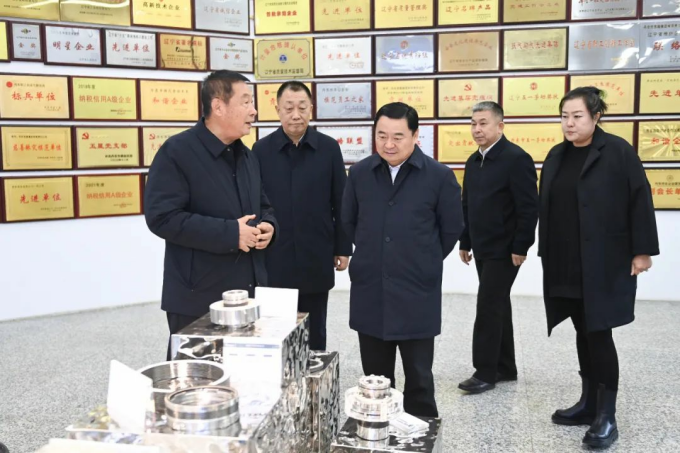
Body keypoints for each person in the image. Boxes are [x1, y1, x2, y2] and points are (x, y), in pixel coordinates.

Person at [539, 87, 659, 449]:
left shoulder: (618, 151)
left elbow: (640, 198)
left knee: (599, 332)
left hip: (605, 261)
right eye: (564, 116)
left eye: (577, 116)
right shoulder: (557, 155)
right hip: (567, 262)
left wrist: (642, 251)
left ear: (596, 117)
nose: (569, 123)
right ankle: (588, 403)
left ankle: (607, 415)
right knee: (582, 329)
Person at [144, 70, 278, 360]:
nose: (254, 111)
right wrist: (231, 234)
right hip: (198, 298)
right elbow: (161, 217)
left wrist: (269, 226)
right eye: (246, 102)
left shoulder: (247, 156)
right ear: (218, 106)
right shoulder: (177, 152)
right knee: (199, 379)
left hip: (248, 294)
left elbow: (264, 205)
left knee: (244, 378)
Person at [342, 102, 464, 417]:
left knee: (419, 377)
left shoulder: (439, 176)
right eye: (381, 136)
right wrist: (376, 253)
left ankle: (422, 431)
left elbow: (451, 228)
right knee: (376, 379)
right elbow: (349, 221)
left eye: (398, 136)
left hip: (416, 289)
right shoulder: (359, 174)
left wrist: (422, 258)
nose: (389, 144)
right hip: (371, 288)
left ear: (415, 135)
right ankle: (379, 431)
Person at [252, 81, 351, 351]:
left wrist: (343, 247)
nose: (296, 115)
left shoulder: (328, 148)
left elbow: (341, 200)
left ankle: (314, 370)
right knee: (274, 327)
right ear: (277, 110)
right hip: (274, 254)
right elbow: (255, 202)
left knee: (315, 328)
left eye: (302, 108)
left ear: (311, 109)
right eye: (289, 108)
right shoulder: (261, 150)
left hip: (316, 250)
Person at [457, 101, 539, 394]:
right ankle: (505, 366)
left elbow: (529, 207)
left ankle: (485, 372)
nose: (477, 129)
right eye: (473, 124)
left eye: (483, 123)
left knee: (488, 306)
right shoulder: (473, 160)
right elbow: (467, 204)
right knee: (499, 303)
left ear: (500, 126)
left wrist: (521, 245)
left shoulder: (516, 158)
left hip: (505, 249)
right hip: (481, 246)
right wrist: (465, 240)